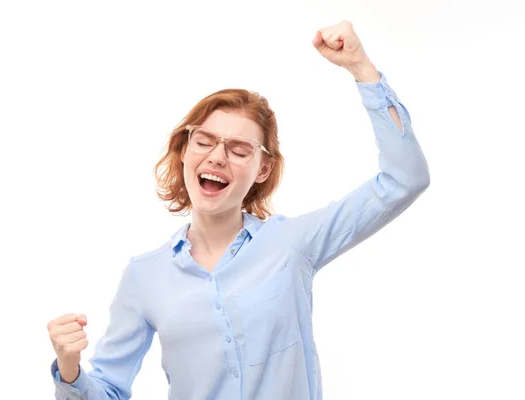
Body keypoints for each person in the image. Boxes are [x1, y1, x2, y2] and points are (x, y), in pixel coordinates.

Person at [46, 20, 430, 400]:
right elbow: (110, 390)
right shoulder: (144, 276)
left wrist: (361, 68)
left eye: (238, 149)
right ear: (184, 150)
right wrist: (69, 368)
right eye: (205, 141)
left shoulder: (292, 244)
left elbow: (404, 180)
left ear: (262, 169)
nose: (217, 157)